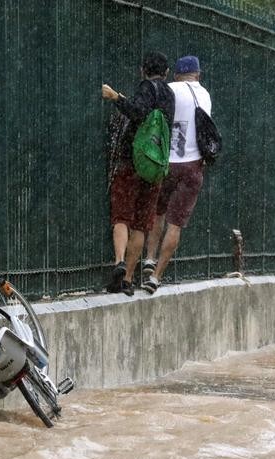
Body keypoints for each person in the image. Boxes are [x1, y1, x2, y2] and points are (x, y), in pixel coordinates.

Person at [101, 52, 175, 295]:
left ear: (143, 70)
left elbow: (137, 111)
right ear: (166, 73)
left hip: (132, 162)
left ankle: (119, 262)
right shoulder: (169, 94)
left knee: (121, 216)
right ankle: (128, 279)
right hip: (154, 169)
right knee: (141, 224)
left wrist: (116, 97)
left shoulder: (146, 87)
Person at [141, 55, 212, 294]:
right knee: (176, 223)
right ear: (198, 75)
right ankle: (157, 277)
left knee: (157, 211)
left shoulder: (170, 89)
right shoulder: (205, 95)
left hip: (168, 163)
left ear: (176, 74)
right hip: (193, 166)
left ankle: (149, 258)